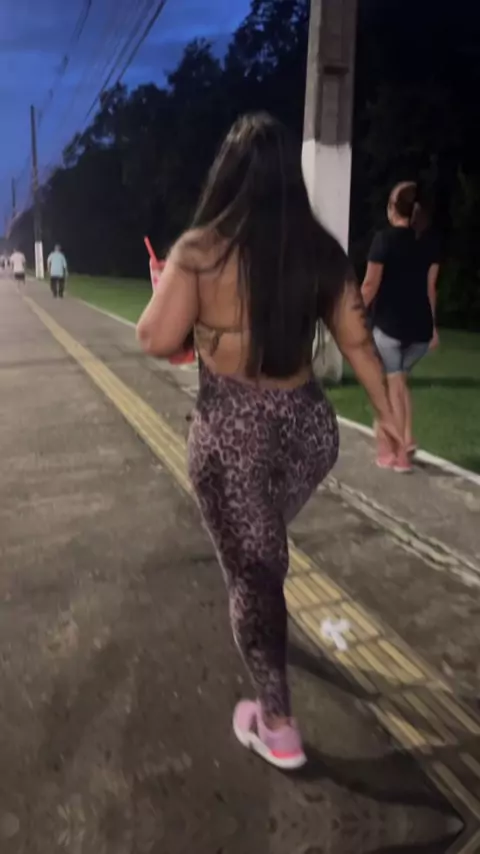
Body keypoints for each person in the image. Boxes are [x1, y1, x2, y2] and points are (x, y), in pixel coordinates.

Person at [136, 113, 403, 770]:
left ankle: (276, 724)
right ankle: (261, 570)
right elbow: (359, 343)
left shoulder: (200, 251)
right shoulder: (320, 252)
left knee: (252, 573)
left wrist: (168, 289)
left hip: (233, 440)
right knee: (259, 546)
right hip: (309, 433)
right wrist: (388, 417)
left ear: (227, 176)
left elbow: (154, 337)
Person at [361, 182, 441, 472]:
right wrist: (433, 328)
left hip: (390, 330)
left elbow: (370, 286)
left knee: (391, 389)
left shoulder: (384, 240)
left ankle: (398, 455)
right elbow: (430, 289)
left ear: (392, 208)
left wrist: (352, 315)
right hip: (419, 333)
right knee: (398, 383)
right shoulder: (428, 243)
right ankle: (405, 439)